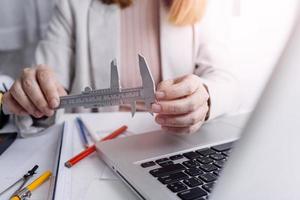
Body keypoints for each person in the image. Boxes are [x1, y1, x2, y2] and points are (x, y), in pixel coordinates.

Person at [2, 0, 239, 134]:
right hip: (95, 145)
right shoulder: (74, 5)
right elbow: (46, 87)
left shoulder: (203, 5)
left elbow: (225, 80)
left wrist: (206, 98)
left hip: (175, 145)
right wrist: (35, 98)